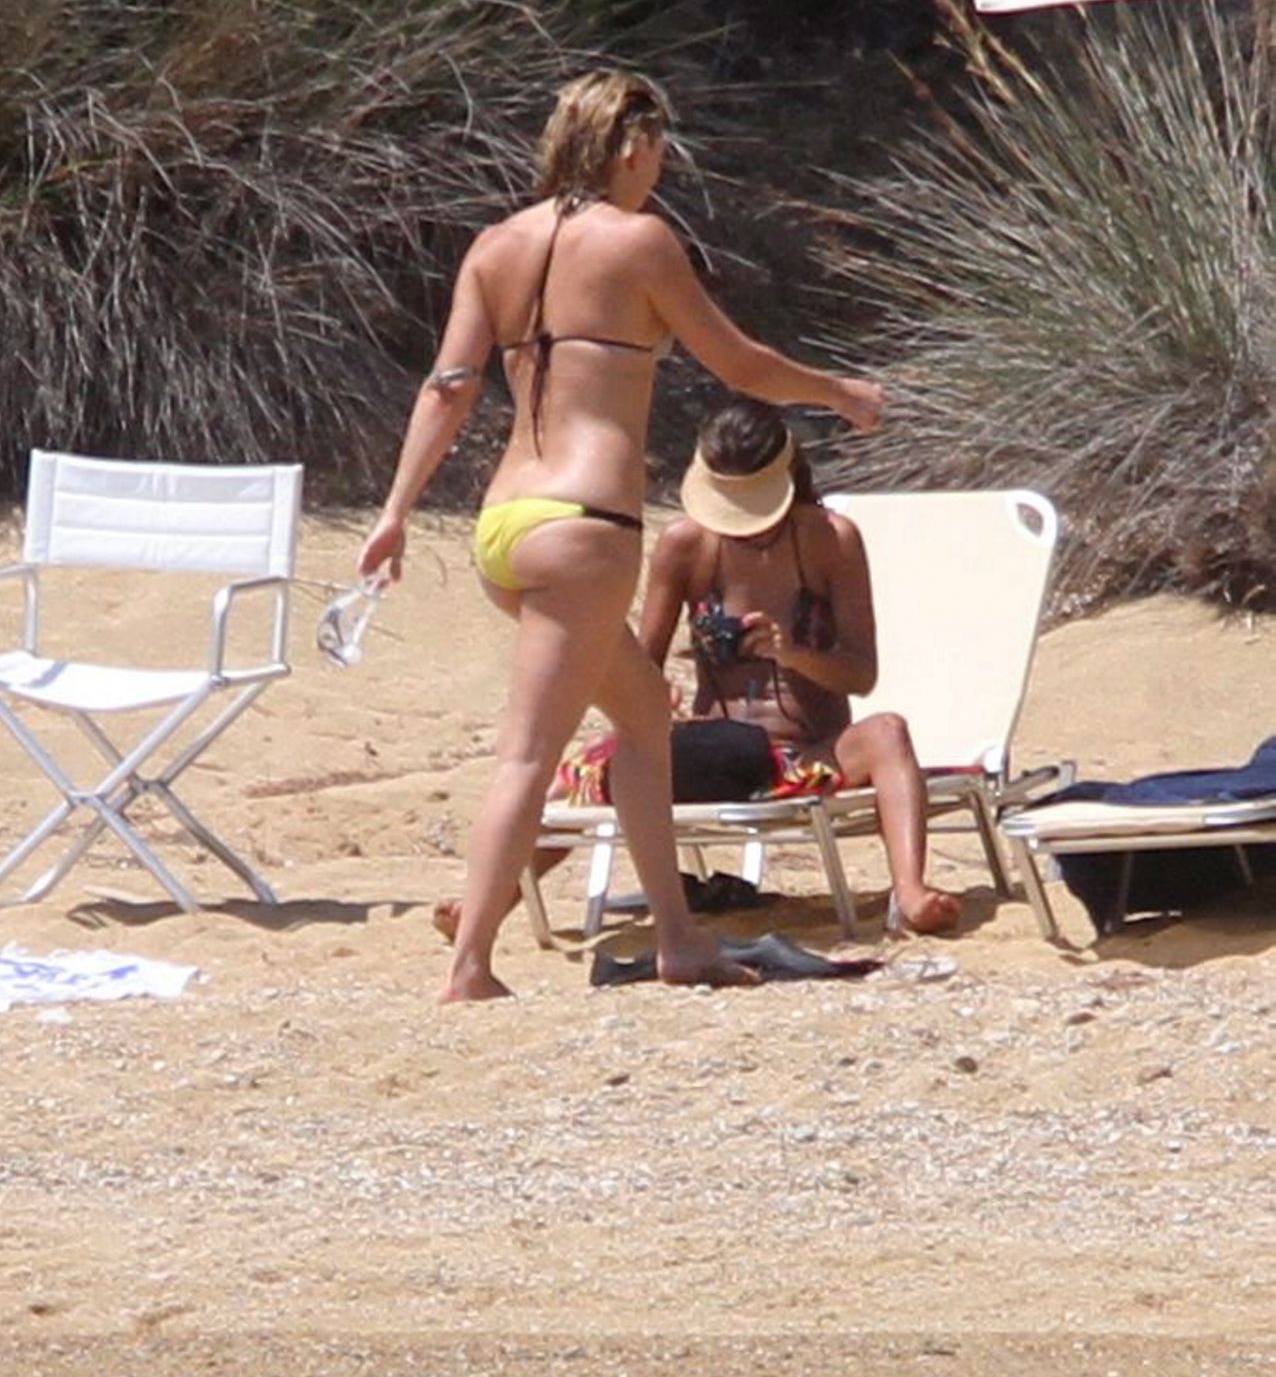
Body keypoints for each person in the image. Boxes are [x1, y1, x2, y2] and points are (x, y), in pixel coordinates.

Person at [357, 70, 882, 999]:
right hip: (584, 527)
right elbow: (740, 363)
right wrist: (837, 393)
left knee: (643, 720)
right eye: (659, 148)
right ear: (631, 146)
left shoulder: (494, 246)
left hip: (505, 526)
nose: (662, 165)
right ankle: (469, 963)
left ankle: (679, 940)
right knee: (529, 751)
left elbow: (448, 388)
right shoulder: (639, 242)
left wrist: (397, 510)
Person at [637, 397, 962, 934]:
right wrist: (654, 692)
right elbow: (641, 664)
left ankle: (909, 890)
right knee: (578, 767)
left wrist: (791, 653)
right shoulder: (685, 545)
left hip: (809, 755)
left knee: (888, 732)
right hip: (716, 755)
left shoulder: (829, 539)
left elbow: (861, 675)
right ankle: (499, 899)